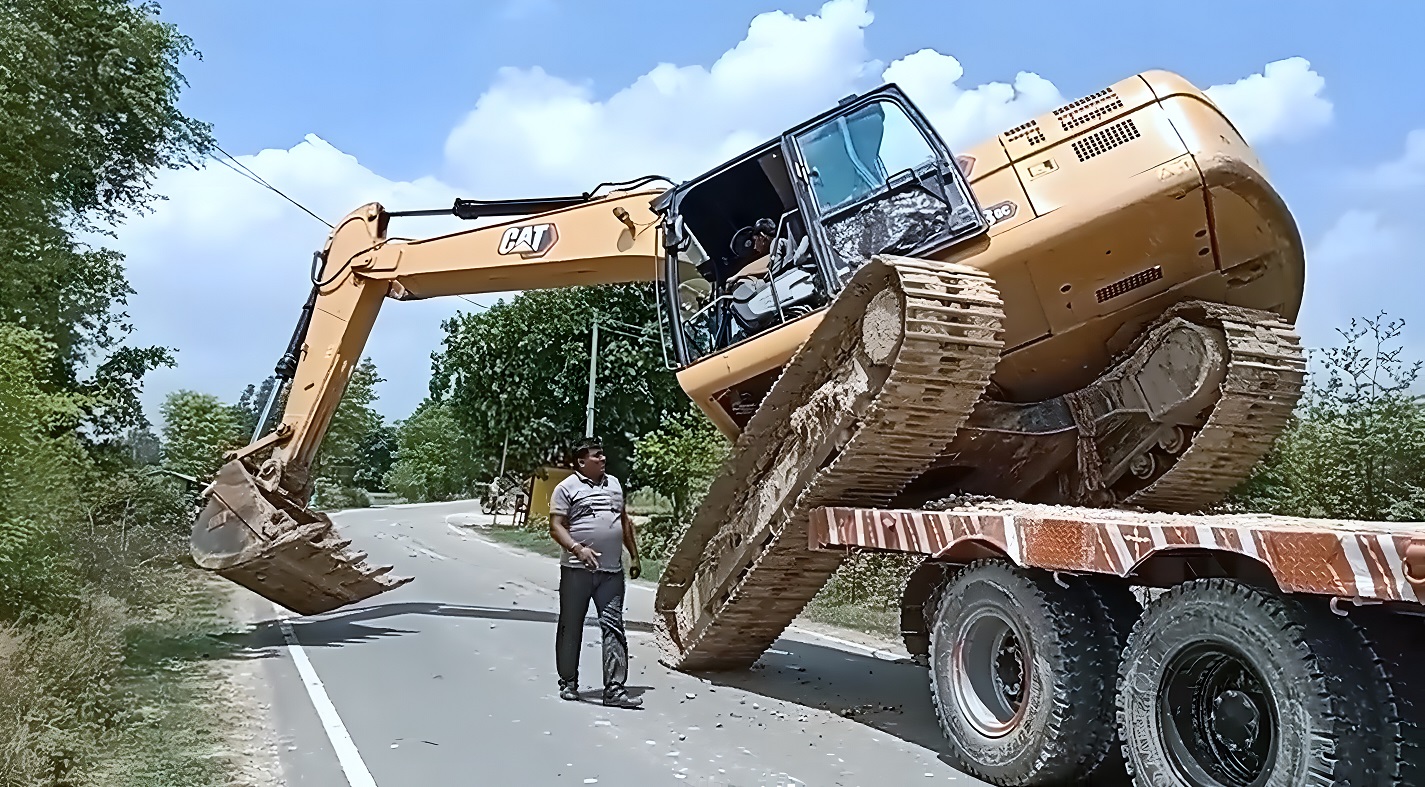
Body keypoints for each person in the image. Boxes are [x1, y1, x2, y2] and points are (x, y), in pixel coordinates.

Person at [547, 438, 643, 709]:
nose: (602, 459)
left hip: (611, 573)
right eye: (596, 456)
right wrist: (578, 549)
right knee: (570, 625)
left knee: (614, 626)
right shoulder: (566, 489)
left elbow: (623, 521)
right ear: (581, 461)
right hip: (577, 571)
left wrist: (634, 555)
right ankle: (568, 682)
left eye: (602, 455)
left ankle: (614, 689)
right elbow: (556, 526)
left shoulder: (614, 484)